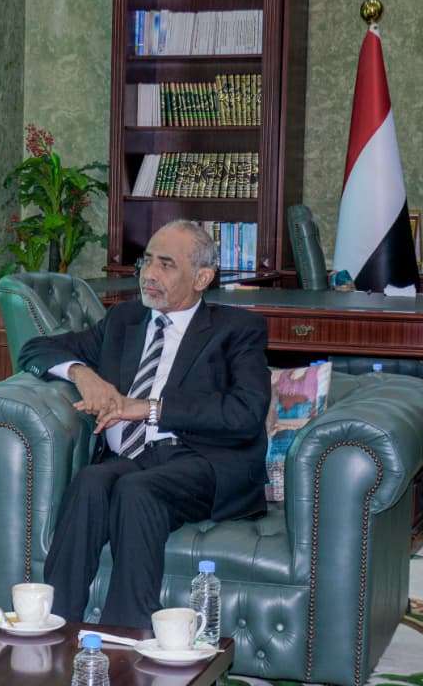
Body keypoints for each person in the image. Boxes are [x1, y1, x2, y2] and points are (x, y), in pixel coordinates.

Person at [18, 219, 270, 629]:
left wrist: (150, 409)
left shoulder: (236, 329)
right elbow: (34, 349)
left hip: (201, 459)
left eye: (166, 265)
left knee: (136, 490)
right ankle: (55, 626)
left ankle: (127, 635)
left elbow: (246, 413)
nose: (149, 274)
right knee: (90, 480)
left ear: (202, 278)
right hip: (131, 458)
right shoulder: (125, 321)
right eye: (147, 261)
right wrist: (84, 374)